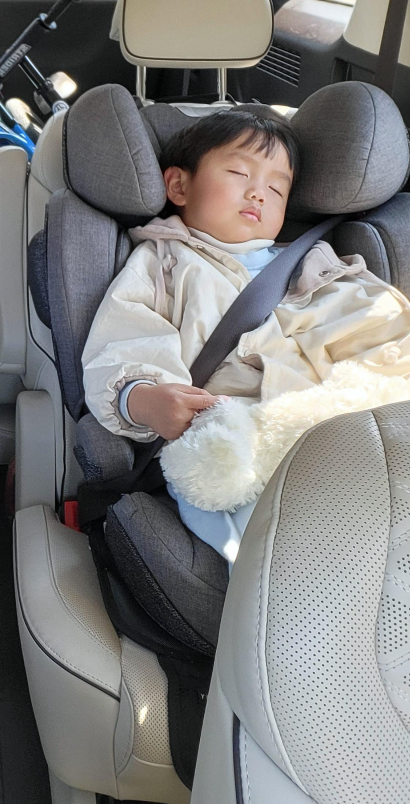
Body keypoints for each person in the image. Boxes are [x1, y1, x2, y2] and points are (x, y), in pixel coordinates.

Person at [82, 107, 410, 561]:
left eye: (277, 188)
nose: (258, 192)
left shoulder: (318, 266)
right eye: (239, 173)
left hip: (331, 435)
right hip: (230, 446)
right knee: (270, 552)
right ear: (179, 186)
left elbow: (380, 331)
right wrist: (143, 398)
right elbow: (123, 343)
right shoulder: (163, 265)